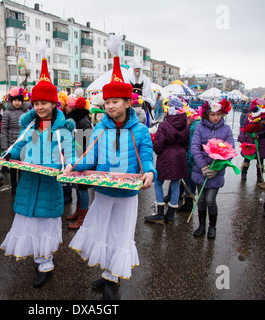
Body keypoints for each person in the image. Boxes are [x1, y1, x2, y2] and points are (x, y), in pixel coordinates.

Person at [65, 38, 156, 300]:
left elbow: (147, 157)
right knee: (103, 229)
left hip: (127, 194)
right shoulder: (100, 128)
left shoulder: (140, 130)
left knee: (121, 232)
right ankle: (107, 272)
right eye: (107, 102)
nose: (111, 105)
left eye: (116, 101)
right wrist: (74, 166)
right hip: (103, 191)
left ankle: (113, 278)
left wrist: (150, 172)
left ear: (128, 103)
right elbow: (90, 155)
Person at [0, 52, 75, 289]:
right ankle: (38, 257)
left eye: (44, 103)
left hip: (49, 183)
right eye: (36, 103)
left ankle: (46, 263)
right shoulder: (30, 126)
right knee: (29, 220)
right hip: (29, 181)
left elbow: (69, 152)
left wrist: (69, 166)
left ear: (54, 104)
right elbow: (17, 147)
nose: (40, 107)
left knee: (44, 221)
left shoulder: (62, 129)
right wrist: (6, 158)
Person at [190, 99, 234, 239]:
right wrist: (203, 166)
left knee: (210, 200)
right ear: (207, 115)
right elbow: (195, 148)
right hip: (200, 171)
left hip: (217, 172)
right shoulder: (199, 128)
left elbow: (230, 150)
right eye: (212, 114)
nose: (216, 117)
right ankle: (201, 225)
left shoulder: (226, 129)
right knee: (201, 199)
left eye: (218, 114)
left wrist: (217, 169)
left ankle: (212, 226)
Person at [145, 96, 189, 224]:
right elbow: (187, 144)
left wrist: (158, 151)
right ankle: (170, 215)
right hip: (180, 156)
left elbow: (158, 144)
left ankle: (159, 213)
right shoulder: (185, 125)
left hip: (166, 156)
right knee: (175, 184)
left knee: (158, 182)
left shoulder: (164, 125)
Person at [63, 93, 93, 230]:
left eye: (67, 106)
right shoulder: (76, 119)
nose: (65, 108)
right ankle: (78, 212)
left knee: (82, 188)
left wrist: (78, 154)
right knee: (77, 187)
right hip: (77, 157)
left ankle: (83, 218)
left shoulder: (82, 121)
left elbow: (84, 142)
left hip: (82, 158)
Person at [1, 87, 30, 194]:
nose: (17, 103)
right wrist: (4, 145)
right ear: (11, 101)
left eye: (19, 100)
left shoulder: (27, 112)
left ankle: (22, 186)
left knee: (23, 167)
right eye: (15, 100)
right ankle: (14, 187)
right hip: (12, 143)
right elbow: (4, 129)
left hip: (24, 143)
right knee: (13, 168)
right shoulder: (7, 113)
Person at [238, 98, 265, 183]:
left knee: (261, 158)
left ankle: (260, 175)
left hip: (262, 141)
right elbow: (243, 126)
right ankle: (244, 172)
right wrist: (242, 137)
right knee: (247, 157)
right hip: (250, 140)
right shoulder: (249, 115)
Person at [177, 106, 201, 213]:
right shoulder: (196, 126)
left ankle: (188, 203)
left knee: (188, 180)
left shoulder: (192, 130)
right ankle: (189, 201)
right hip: (193, 160)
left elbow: (191, 146)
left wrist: (187, 160)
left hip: (190, 160)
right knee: (191, 181)